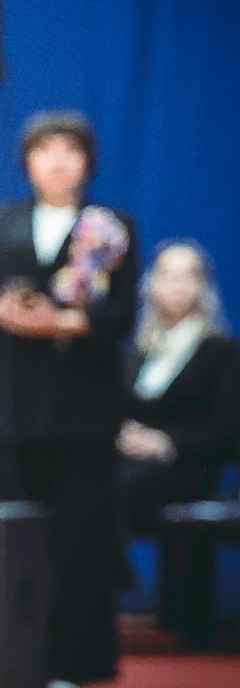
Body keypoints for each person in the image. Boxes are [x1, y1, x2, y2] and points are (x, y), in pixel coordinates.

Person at [0, 110, 139, 687]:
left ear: (87, 161)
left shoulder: (109, 227)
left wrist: (61, 324)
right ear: (27, 161)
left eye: (70, 150)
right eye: (45, 150)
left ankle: (73, 665)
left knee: (80, 548)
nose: (57, 161)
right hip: (8, 412)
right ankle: (6, 661)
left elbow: (118, 317)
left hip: (82, 416)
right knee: (8, 544)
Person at [118, 240, 240, 644]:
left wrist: (165, 443)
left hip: (192, 466)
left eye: (188, 276)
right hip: (134, 467)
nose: (177, 286)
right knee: (97, 479)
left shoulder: (220, 351)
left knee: (122, 484)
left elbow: (225, 429)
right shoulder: (139, 350)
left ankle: (112, 567)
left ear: (203, 286)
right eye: (167, 275)